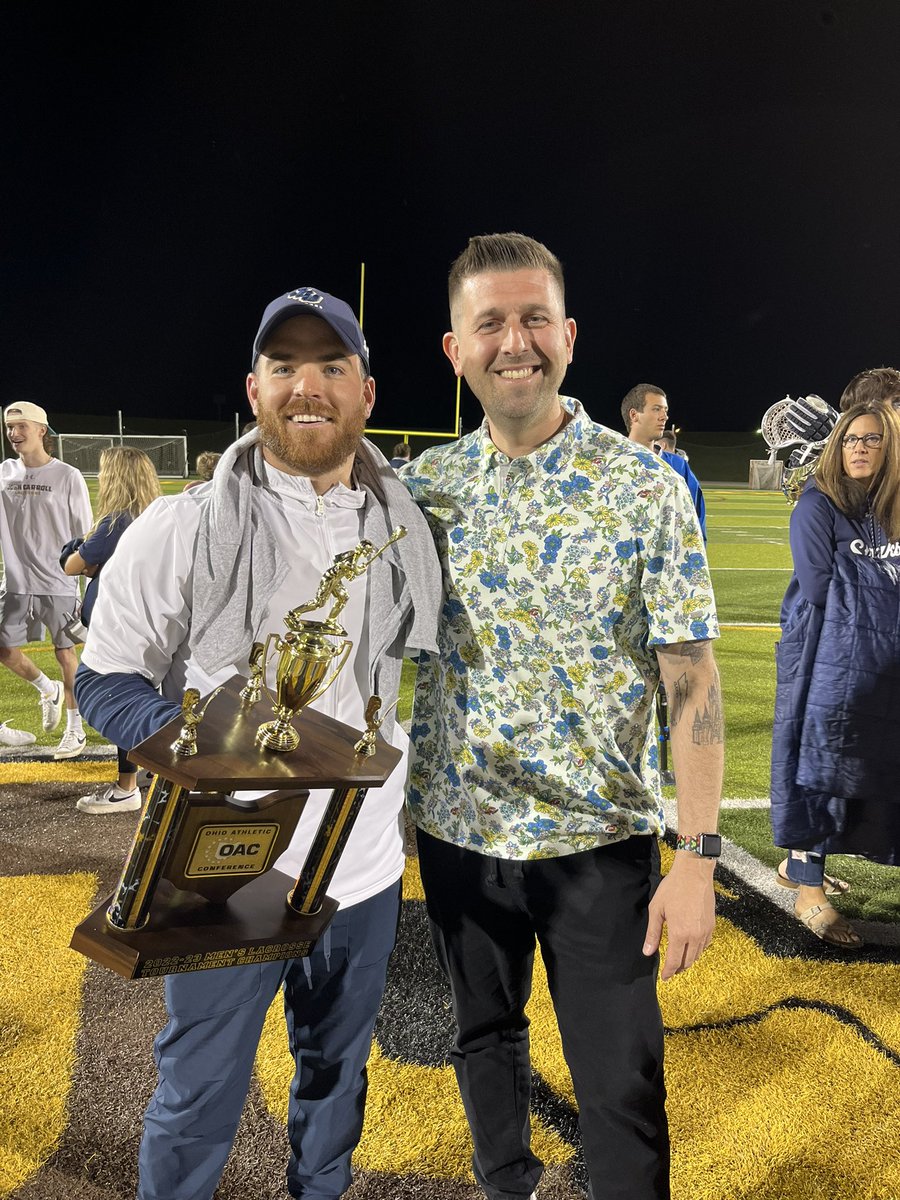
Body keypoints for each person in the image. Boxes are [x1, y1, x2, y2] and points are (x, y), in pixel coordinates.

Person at [74, 285, 440, 1200]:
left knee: (335, 1080)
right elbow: (105, 675)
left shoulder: (408, 528)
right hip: (222, 866)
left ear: (367, 393)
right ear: (253, 387)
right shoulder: (183, 523)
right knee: (197, 1095)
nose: (305, 386)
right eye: (284, 367)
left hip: (360, 869)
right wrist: (200, 753)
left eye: (330, 367)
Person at [399, 233, 724, 1200]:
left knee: (620, 1083)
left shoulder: (645, 488)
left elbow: (695, 684)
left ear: (569, 336)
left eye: (534, 317)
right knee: (483, 1043)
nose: (515, 342)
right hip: (459, 834)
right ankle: (507, 1185)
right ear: (453, 348)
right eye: (488, 322)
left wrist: (699, 858)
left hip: (599, 844)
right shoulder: (423, 493)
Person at [770, 399, 900, 949]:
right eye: (850, 439)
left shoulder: (894, 508)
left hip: (884, 658)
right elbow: (822, 587)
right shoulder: (817, 506)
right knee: (817, 769)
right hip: (823, 657)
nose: (859, 448)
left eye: (872, 439)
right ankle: (808, 890)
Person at [61, 447, 161, 813]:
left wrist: (78, 552)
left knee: (120, 699)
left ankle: (126, 787)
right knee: (152, 694)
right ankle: (153, 769)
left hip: (118, 622)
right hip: (156, 620)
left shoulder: (116, 520)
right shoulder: (158, 515)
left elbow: (73, 565)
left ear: (117, 477)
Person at [1, 401, 93, 757]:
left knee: (65, 654)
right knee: (4, 648)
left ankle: (75, 729)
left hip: (57, 581)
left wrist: (84, 586)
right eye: (10, 428)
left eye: (22, 426)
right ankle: (47, 689)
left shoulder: (67, 476)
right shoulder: (4, 472)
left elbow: (84, 534)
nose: (14, 434)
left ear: (42, 430)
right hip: (15, 582)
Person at [622, 384, 707, 540]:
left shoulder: (678, 466)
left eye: (665, 410)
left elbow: (696, 517)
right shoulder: (614, 463)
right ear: (634, 415)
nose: (664, 416)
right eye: (656, 409)